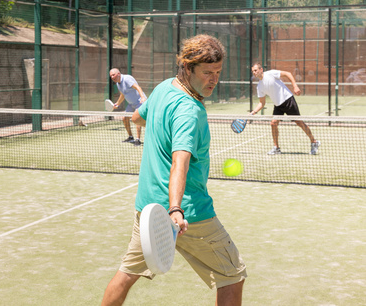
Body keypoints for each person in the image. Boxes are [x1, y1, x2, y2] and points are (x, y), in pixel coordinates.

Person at [101, 35, 246, 306]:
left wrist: (159, 121)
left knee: (126, 274)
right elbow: (181, 161)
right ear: (188, 68)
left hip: (147, 210)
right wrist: (176, 208)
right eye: (207, 73)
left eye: (218, 73)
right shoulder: (191, 112)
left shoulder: (165, 87)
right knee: (232, 275)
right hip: (189, 215)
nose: (213, 79)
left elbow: (136, 118)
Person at [251, 63, 321, 155]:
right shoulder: (259, 86)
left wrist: (295, 86)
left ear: (261, 70)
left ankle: (314, 142)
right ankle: (276, 148)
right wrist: (253, 112)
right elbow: (262, 103)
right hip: (278, 105)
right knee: (273, 123)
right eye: (253, 71)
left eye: (255, 70)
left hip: (288, 100)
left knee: (299, 122)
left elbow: (288, 74)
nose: (254, 73)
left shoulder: (271, 73)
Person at [109, 68, 147, 146]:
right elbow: (123, 94)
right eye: (111, 76)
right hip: (131, 104)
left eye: (113, 75)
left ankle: (138, 139)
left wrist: (142, 98)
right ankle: (130, 137)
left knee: (137, 118)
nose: (112, 77)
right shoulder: (118, 83)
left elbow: (138, 87)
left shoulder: (127, 79)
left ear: (118, 74)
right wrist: (117, 103)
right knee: (124, 118)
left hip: (139, 102)